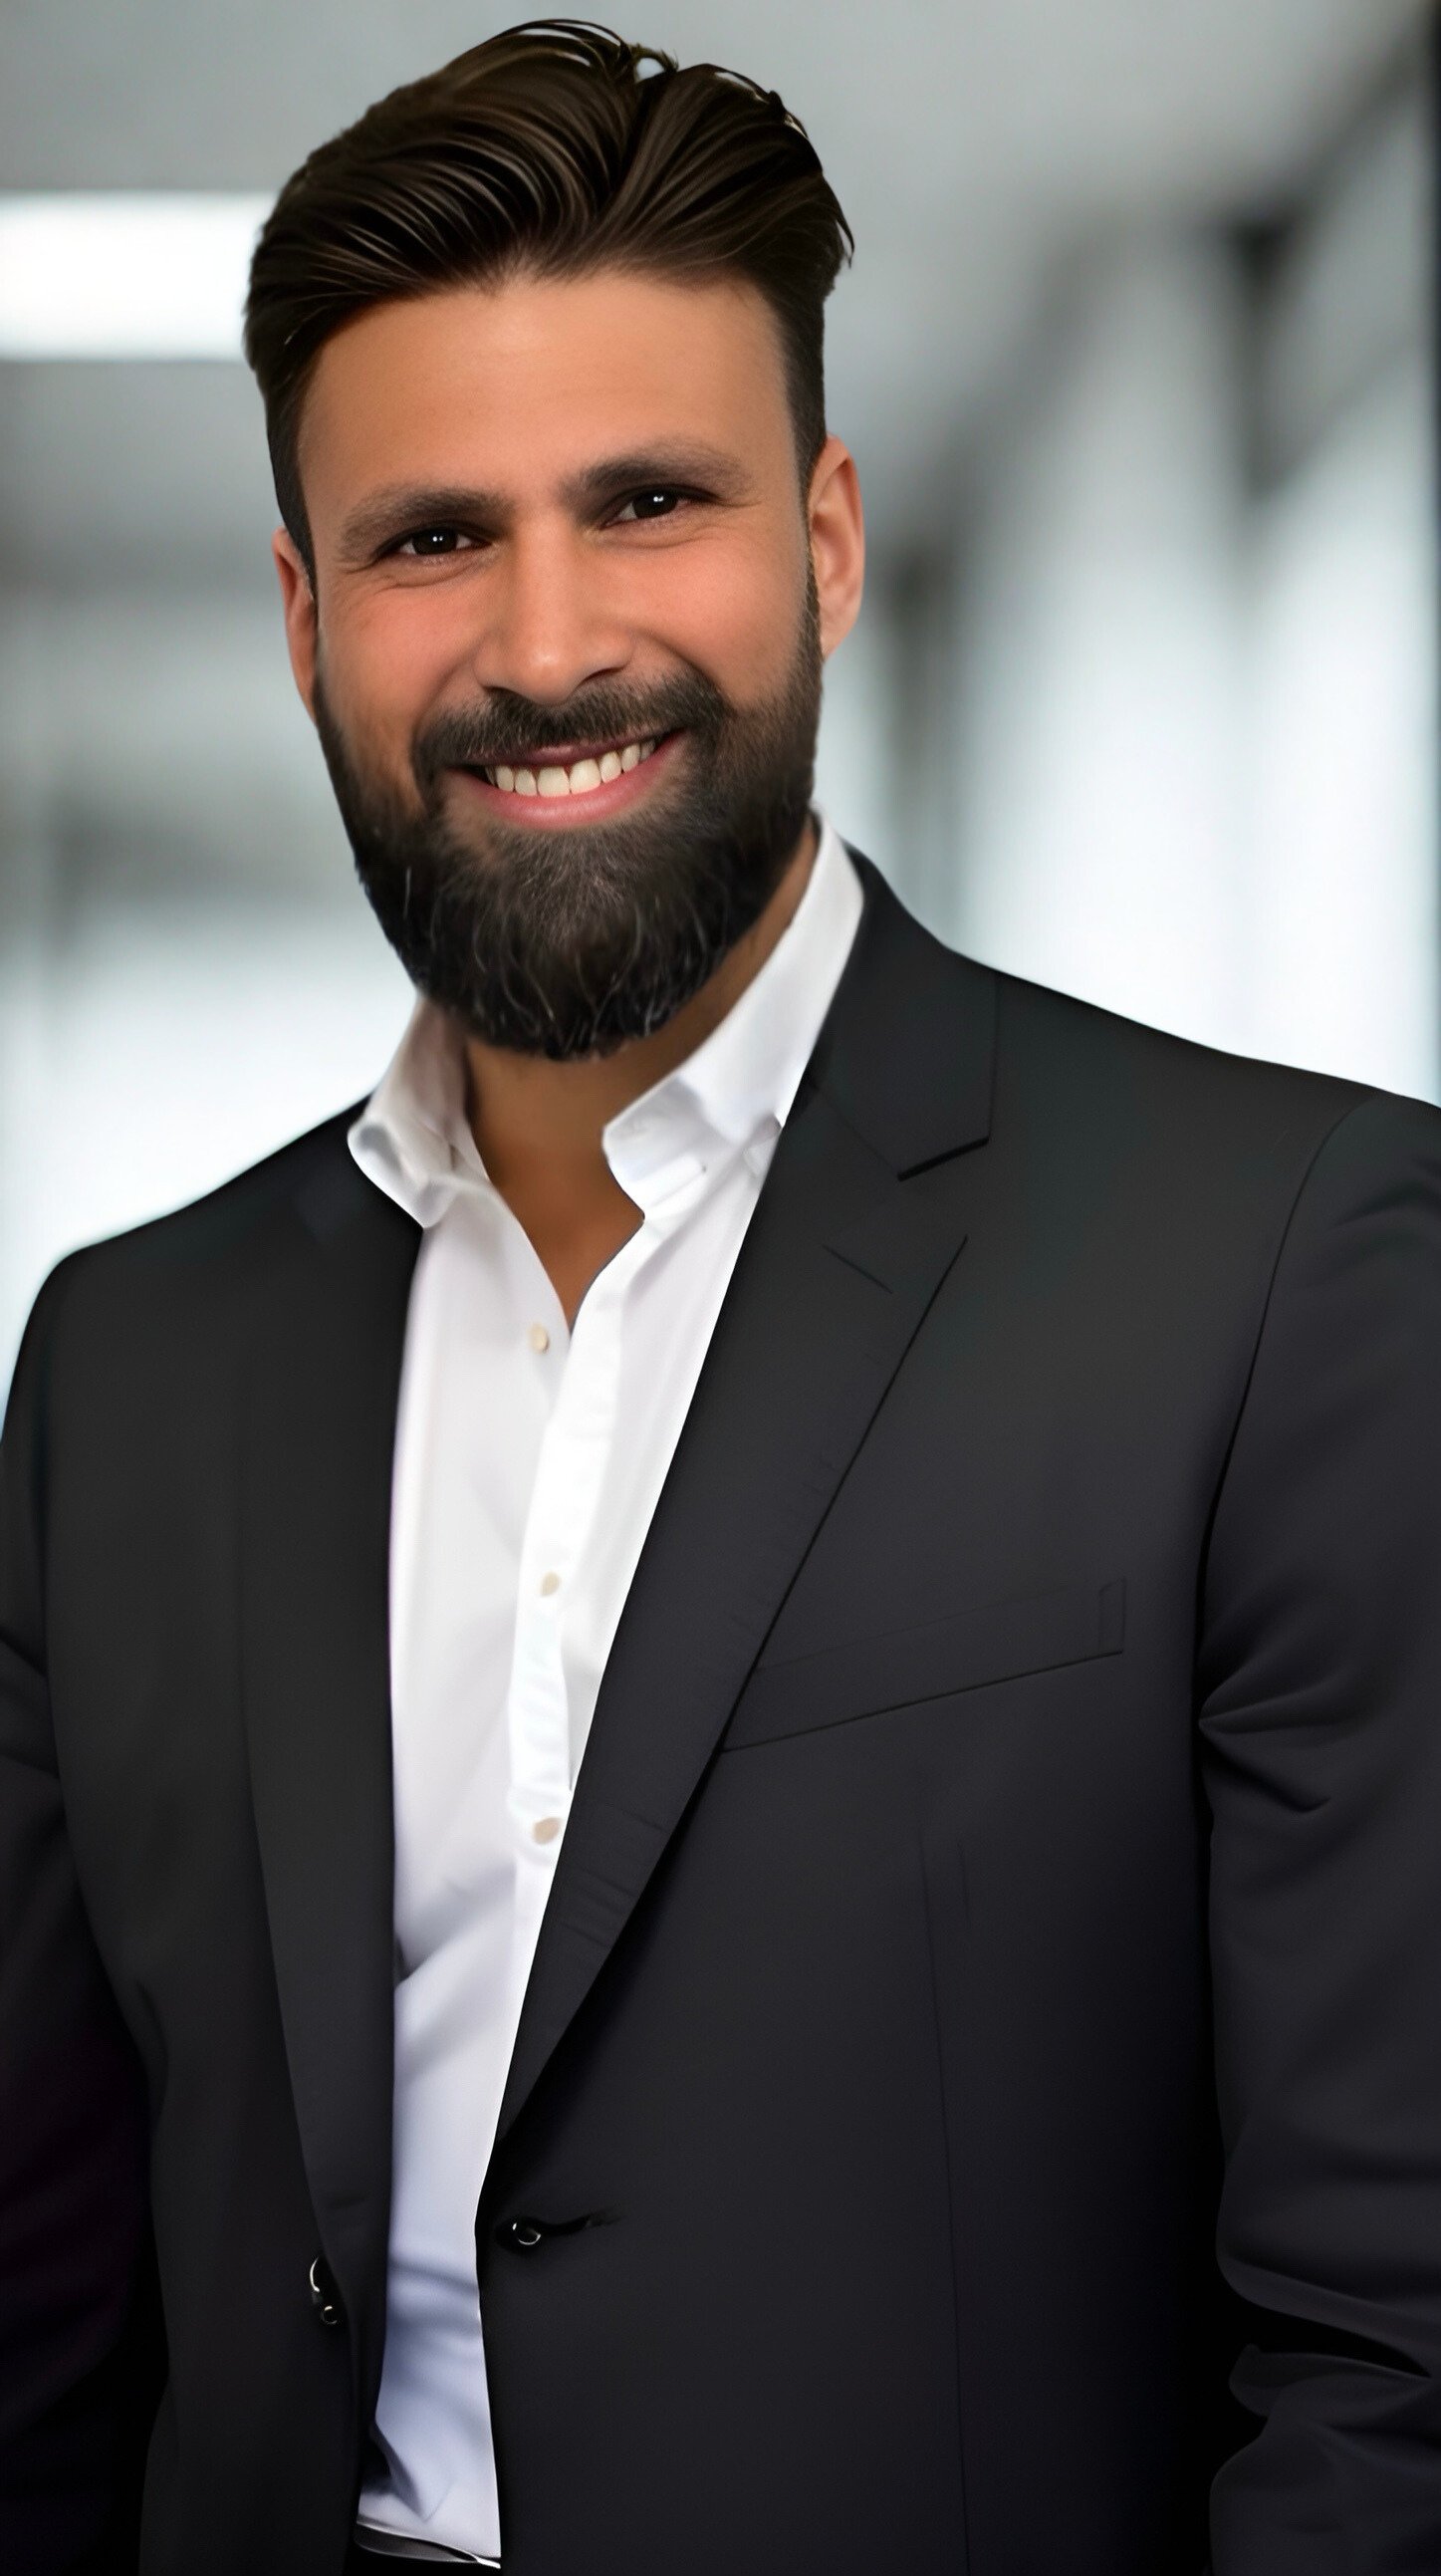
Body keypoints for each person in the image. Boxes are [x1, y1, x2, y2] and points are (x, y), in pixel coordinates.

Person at [4, 19, 1441, 2574]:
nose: (549, 646)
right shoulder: (126, 1363)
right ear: (303, 611)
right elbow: (49, 2300)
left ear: (825, 541)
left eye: (647, 502)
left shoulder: (1287, 1267)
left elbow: (1392, 2354)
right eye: (434, 536)